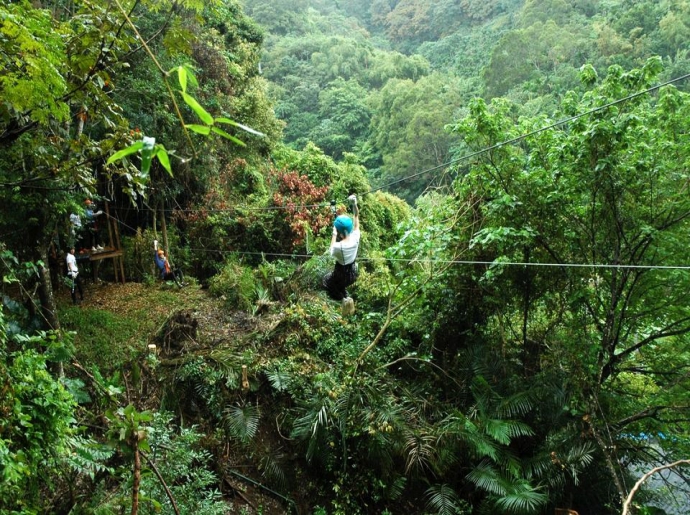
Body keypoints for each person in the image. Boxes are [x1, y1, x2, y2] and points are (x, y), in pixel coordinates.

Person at [323, 194, 360, 301]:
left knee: (327, 281)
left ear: (339, 233)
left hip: (341, 275)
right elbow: (356, 217)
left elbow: (331, 250)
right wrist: (354, 204)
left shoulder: (339, 247)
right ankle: (344, 293)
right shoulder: (356, 236)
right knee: (341, 284)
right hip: (353, 273)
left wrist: (334, 233)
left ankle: (341, 299)